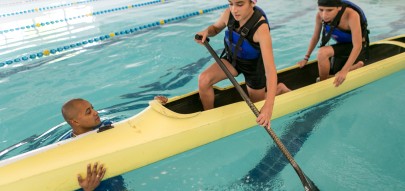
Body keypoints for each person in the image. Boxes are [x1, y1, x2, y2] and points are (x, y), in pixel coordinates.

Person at [195, 0, 278, 127]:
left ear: (252, 2)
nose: (234, 9)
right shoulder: (229, 14)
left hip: (253, 68)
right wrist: (206, 31)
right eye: (231, 3)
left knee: (257, 105)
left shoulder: (261, 28)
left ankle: (280, 89)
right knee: (203, 79)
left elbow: (270, 71)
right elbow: (215, 28)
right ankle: (210, 118)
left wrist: (269, 106)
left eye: (240, 4)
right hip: (233, 60)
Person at [61, 96, 168, 191]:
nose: (95, 112)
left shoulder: (107, 128)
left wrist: (156, 108)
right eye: (88, 112)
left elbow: (136, 127)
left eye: (92, 108)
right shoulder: (65, 149)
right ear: (75, 122)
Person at [297, 0, 369, 87]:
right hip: (342, 46)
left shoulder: (352, 15)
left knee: (326, 56)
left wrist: (344, 71)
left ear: (339, 8)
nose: (324, 15)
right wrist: (306, 58)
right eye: (321, 10)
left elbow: (357, 46)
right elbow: (315, 37)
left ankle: (358, 64)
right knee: (321, 53)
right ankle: (324, 82)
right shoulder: (320, 16)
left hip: (358, 47)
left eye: (329, 10)